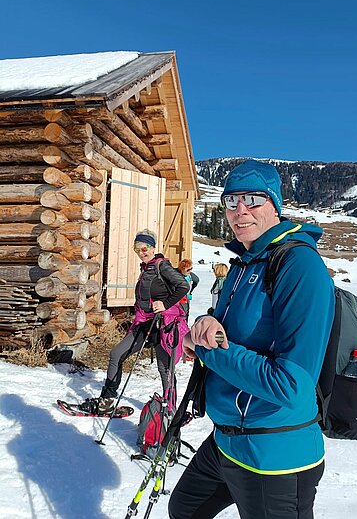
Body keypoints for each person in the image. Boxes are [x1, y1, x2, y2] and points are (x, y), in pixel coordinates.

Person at [169, 160, 335, 519]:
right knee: (184, 509)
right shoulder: (245, 263)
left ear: (274, 205)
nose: (240, 211)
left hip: (274, 454)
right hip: (228, 440)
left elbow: (293, 385)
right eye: (231, 201)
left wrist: (209, 351)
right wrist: (203, 325)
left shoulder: (298, 266)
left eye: (252, 199)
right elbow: (228, 331)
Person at [81, 229, 189, 415]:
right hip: (145, 322)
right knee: (117, 354)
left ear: (153, 248)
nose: (141, 252)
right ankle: (107, 400)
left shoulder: (161, 266)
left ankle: (169, 408)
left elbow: (183, 286)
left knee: (164, 368)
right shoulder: (146, 268)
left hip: (165, 324)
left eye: (145, 248)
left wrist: (165, 304)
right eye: (137, 249)